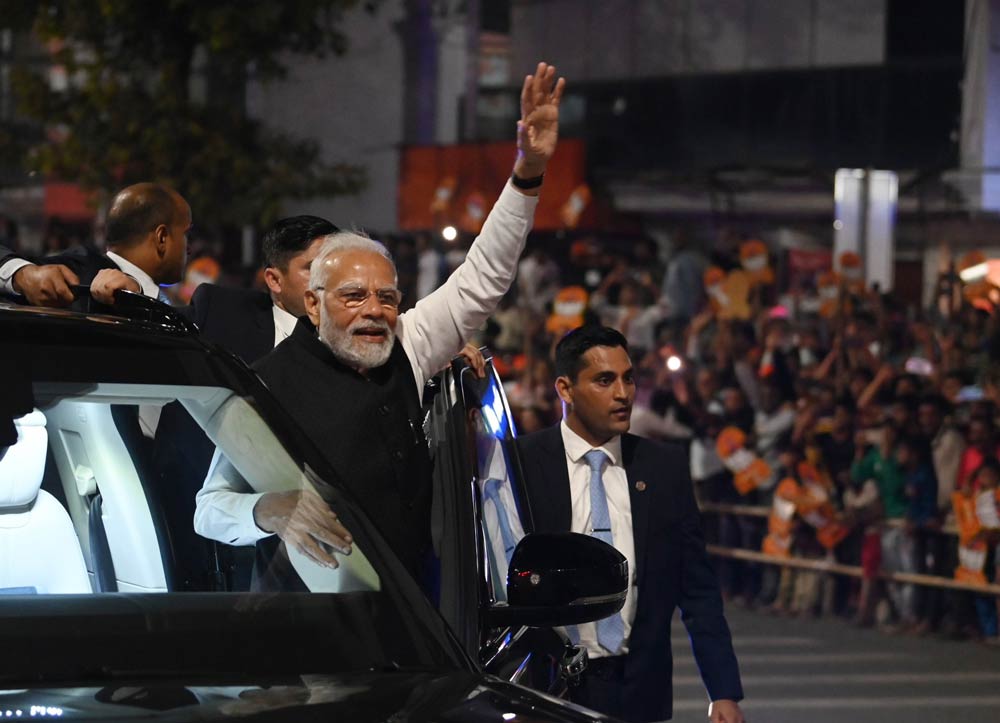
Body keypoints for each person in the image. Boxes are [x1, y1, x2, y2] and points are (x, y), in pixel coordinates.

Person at [193, 61, 566, 586]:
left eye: (386, 296)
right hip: (303, 630)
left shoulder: (406, 346)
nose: (374, 309)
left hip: (410, 624)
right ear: (315, 304)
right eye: (354, 296)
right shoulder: (263, 384)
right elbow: (207, 509)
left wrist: (527, 173)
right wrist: (269, 511)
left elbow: (483, 276)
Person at [515, 326, 744, 723]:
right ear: (565, 390)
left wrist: (723, 691)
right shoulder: (522, 463)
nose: (623, 393)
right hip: (546, 691)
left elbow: (698, 589)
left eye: (628, 377)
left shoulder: (664, 468)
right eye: (605, 380)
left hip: (639, 692)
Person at [0, 182, 190, 307]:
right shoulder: (80, 273)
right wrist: (23, 275)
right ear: (162, 237)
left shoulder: (175, 302)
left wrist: (140, 299)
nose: (188, 247)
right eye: (186, 233)